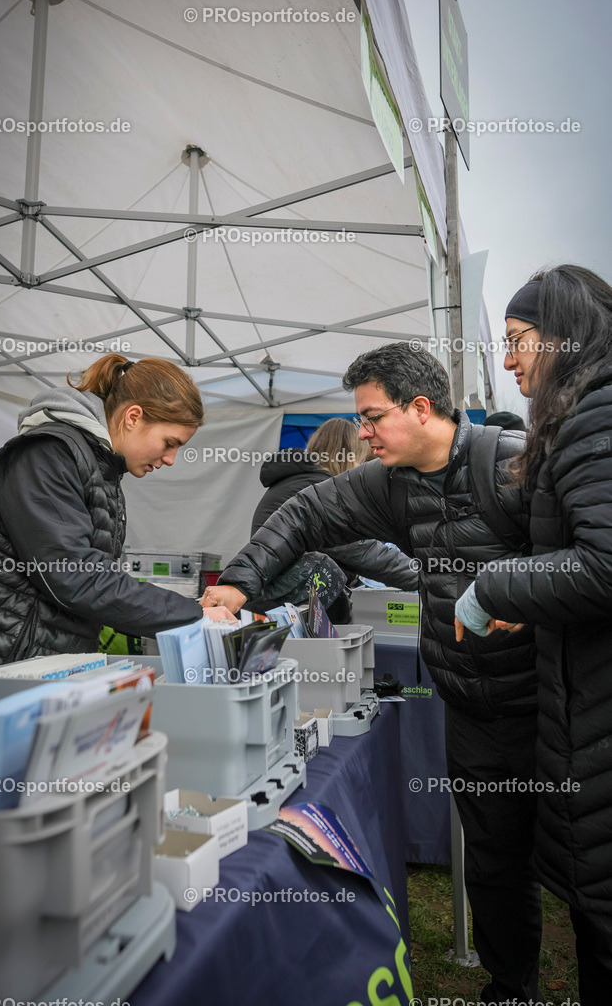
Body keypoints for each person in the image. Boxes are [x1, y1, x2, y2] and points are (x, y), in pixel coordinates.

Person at [202, 342, 544, 1005]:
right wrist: (238, 583)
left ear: (420, 409)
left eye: (371, 416)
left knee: (579, 862)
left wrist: (521, 599)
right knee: (496, 861)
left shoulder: (513, 465)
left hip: (550, 700)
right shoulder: (390, 482)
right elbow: (303, 514)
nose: (361, 432)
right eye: (357, 419)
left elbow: (581, 557)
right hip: (471, 706)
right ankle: (512, 989)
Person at [455, 265, 612, 1004]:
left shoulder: (595, 417)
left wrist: (495, 584)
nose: (509, 359)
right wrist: (542, 591)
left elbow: (606, 564)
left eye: (518, 341)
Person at [0, 354, 234, 717]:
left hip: (25, 676)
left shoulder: (99, 468)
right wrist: (191, 614)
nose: (170, 459)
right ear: (133, 417)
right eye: (170, 442)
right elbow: (75, 575)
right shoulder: (47, 454)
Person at [251, 418, 416, 621]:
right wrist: (424, 577)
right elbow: (362, 551)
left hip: (275, 600)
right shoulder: (318, 490)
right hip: (285, 606)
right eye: (360, 460)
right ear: (350, 458)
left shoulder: (295, 482)